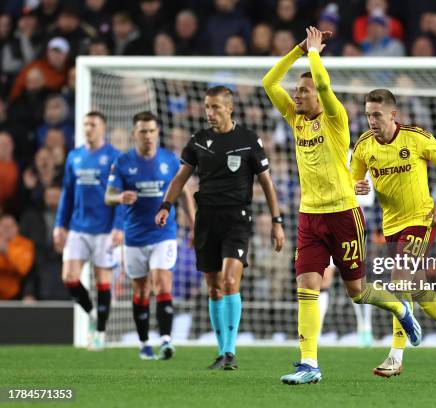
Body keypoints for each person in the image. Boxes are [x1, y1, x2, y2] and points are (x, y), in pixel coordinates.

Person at [262, 26, 420, 385]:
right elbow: (269, 82)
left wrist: (315, 56)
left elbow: (324, 86)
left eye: (303, 90)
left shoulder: (335, 119)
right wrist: (299, 50)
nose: (296, 95)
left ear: (317, 94)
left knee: (357, 291)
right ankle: (308, 363)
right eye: (297, 91)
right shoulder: (295, 118)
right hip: (309, 216)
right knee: (306, 284)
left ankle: (398, 307)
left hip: (344, 214)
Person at [156, 86, 285, 370]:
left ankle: (230, 351)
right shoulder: (198, 141)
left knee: (229, 281)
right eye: (206, 108)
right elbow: (180, 178)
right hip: (206, 220)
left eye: (215, 107)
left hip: (237, 219)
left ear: (229, 108)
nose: (210, 113)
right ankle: (221, 351)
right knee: (213, 289)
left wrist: (277, 222)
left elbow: (267, 184)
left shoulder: (249, 140)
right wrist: (166, 205)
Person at [351, 89, 436, 376]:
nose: (371, 120)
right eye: (368, 114)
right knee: (416, 287)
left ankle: (396, 355)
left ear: (393, 114)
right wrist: (356, 185)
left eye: (377, 114)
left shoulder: (415, 137)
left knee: (399, 278)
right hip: (391, 224)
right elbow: (351, 177)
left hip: (421, 219)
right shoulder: (365, 145)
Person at [106, 111, 194, 360]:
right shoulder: (122, 162)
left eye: (152, 131)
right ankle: (145, 343)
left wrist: (194, 223)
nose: (148, 136)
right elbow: (108, 195)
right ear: (135, 133)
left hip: (163, 233)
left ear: (157, 133)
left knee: (162, 281)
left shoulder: (169, 160)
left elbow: (185, 193)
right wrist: (119, 197)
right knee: (141, 290)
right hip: (133, 236)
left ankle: (166, 340)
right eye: (143, 131)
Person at [53, 111, 123, 350]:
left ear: (103, 128)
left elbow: (118, 196)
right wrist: (59, 225)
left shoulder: (114, 157)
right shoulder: (75, 156)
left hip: (104, 229)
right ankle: (93, 314)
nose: (88, 128)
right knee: (69, 277)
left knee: (103, 280)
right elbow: (67, 194)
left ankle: (100, 333)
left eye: (93, 124)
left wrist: (118, 226)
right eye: (85, 124)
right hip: (77, 227)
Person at [0, 214, 34, 300]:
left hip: (16, 294)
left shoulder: (25, 244)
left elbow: (23, 268)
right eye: (4, 226)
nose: (7, 229)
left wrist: (7, 251)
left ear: (17, 227)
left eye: (10, 226)